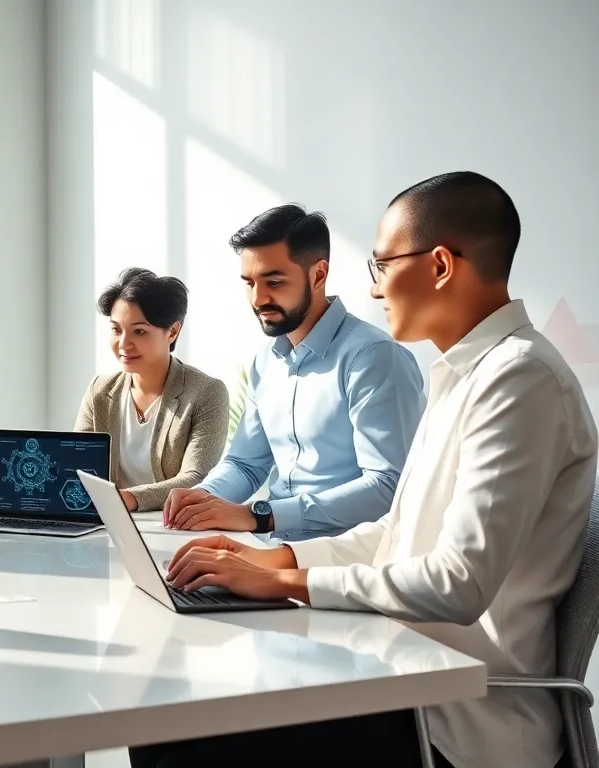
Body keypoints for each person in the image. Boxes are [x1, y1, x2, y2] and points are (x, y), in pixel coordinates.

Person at [137, 172, 598, 768]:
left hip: (457, 716)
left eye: (381, 265)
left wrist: (284, 583)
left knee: (178, 734)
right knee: (170, 712)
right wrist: (272, 559)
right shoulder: (466, 373)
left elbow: (457, 581)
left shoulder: (520, 378)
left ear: (439, 266)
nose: (375, 289)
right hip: (402, 668)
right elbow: (397, 533)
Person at [163, 204, 425, 541]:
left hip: (343, 562)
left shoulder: (374, 358)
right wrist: (204, 497)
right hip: (270, 551)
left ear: (318, 274)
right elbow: (245, 463)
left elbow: (390, 486)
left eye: (273, 281)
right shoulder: (266, 362)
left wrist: (262, 516)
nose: (258, 298)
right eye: (249, 283)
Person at [74, 268, 229, 512]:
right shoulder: (100, 391)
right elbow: (77, 465)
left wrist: (128, 499)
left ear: (173, 331)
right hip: (107, 523)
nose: (124, 344)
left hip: (174, 524)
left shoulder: (207, 392)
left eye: (139, 331)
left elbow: (196, 477)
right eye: (116, 329)